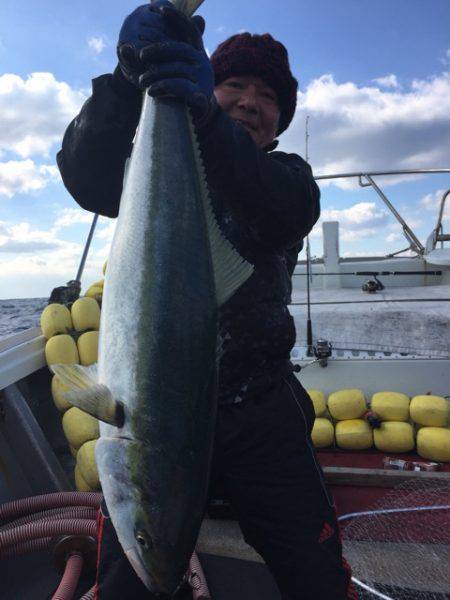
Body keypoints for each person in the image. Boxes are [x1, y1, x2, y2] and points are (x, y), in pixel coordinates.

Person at [57, 2, 356, 598]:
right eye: (234, 85)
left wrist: (206, 119)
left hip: (259, 405)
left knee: (316, 573)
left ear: (280, 119)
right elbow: (85, 175)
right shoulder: (148, 170)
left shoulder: (288, 178)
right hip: (155, 409)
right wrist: (125, 79)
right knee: (128, 579)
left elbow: (279, 205)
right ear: (204, 85)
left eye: (267, 94)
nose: (250, 101)